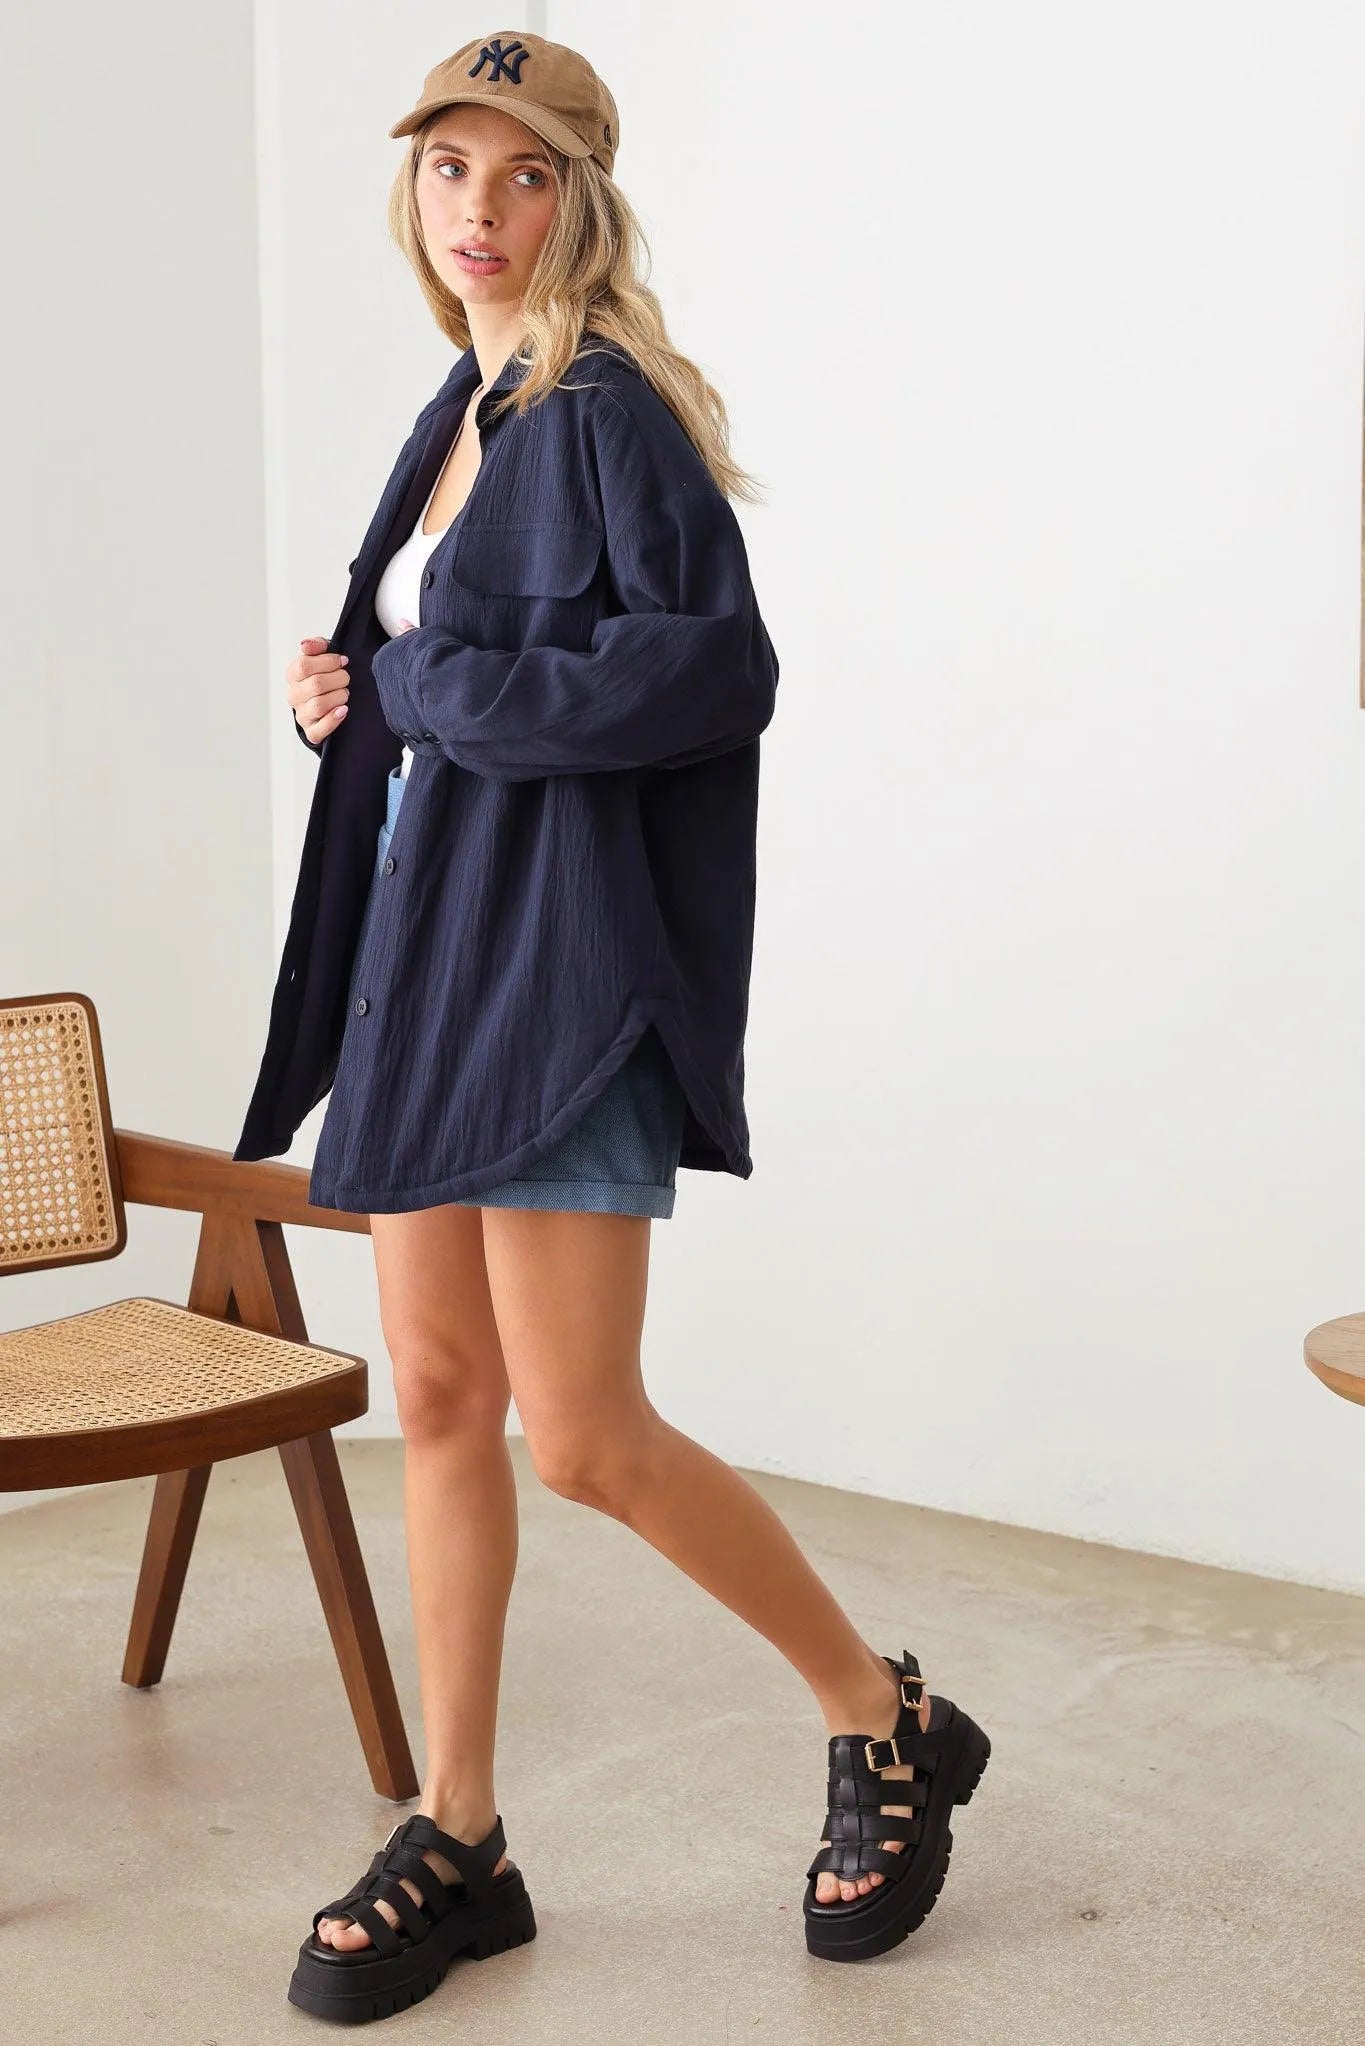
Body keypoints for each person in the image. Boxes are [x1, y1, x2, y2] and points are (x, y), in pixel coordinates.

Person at [256, 30, 991, 2026]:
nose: (478, 210)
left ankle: (881, 1713)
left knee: (578, 1432)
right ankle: (460, 1829)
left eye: (523, 175)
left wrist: (431, 687)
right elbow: (447, 677)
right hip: (430, 961)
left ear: (581, 197)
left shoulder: (602, 409)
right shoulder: (461, 403)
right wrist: (355, 705)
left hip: (560, 974)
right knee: (434, 1394)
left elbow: (705, 672)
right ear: (410, 190)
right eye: (448, 169)